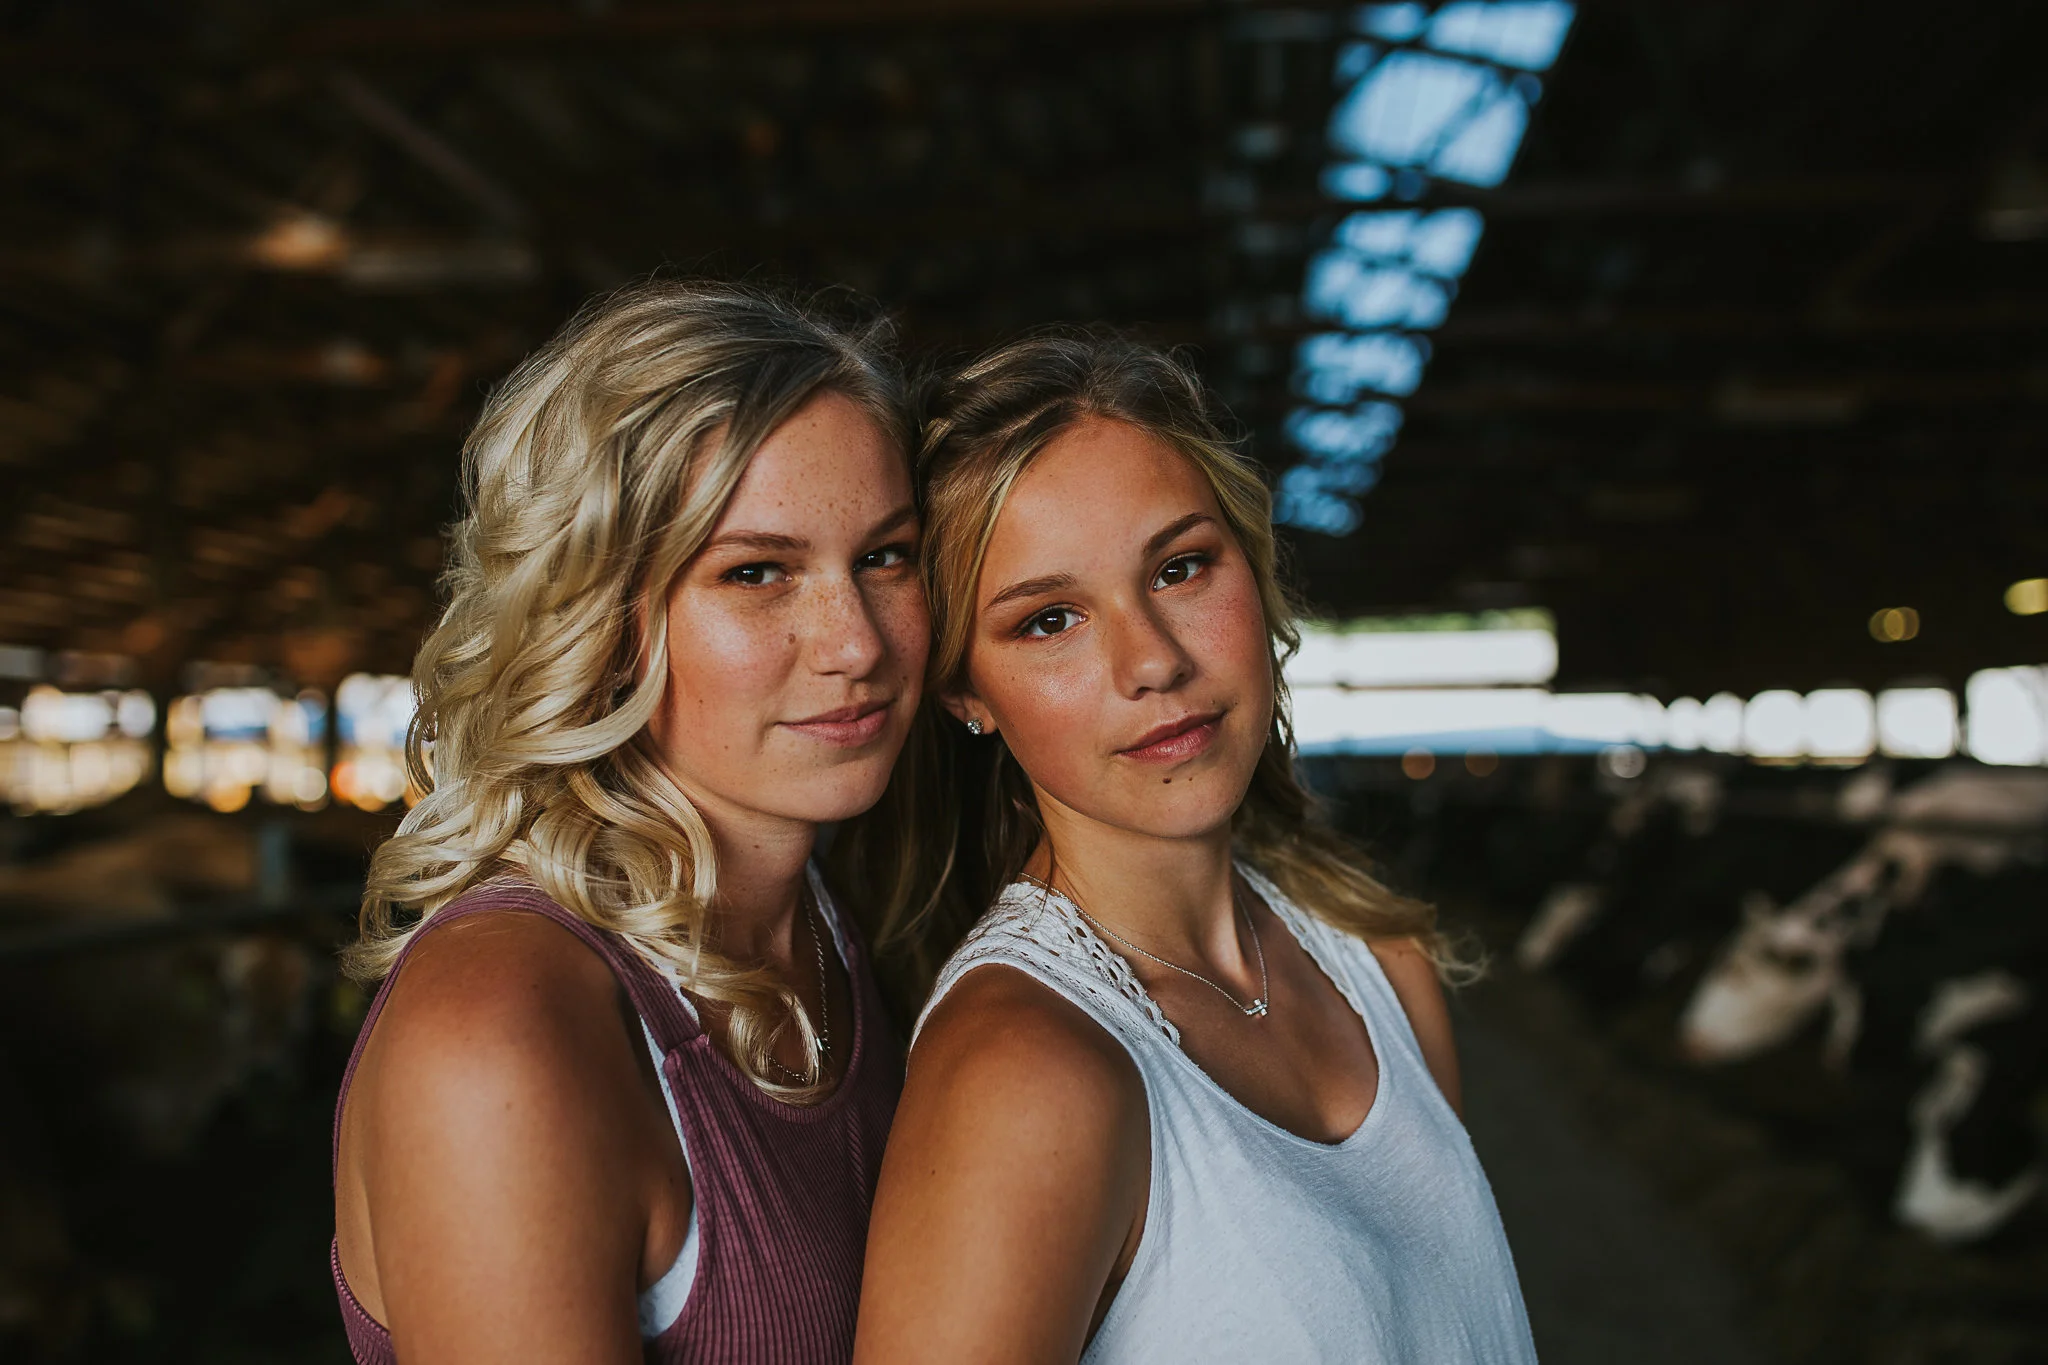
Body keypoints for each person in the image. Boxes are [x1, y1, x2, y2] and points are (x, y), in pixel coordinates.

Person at [854, 333, 1537, 1364]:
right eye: (1048, 621)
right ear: (963, 692)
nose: (1153, 662)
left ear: (1253, 575)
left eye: (1179, 568)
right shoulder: (1025, 1071)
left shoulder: (1378, 967)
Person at [331, 279, 935, 1364]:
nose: (856, 642)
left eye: (885, 557)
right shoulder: (501, 1027)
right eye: (755, 572)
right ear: (598, 620)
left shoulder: (835, 927)